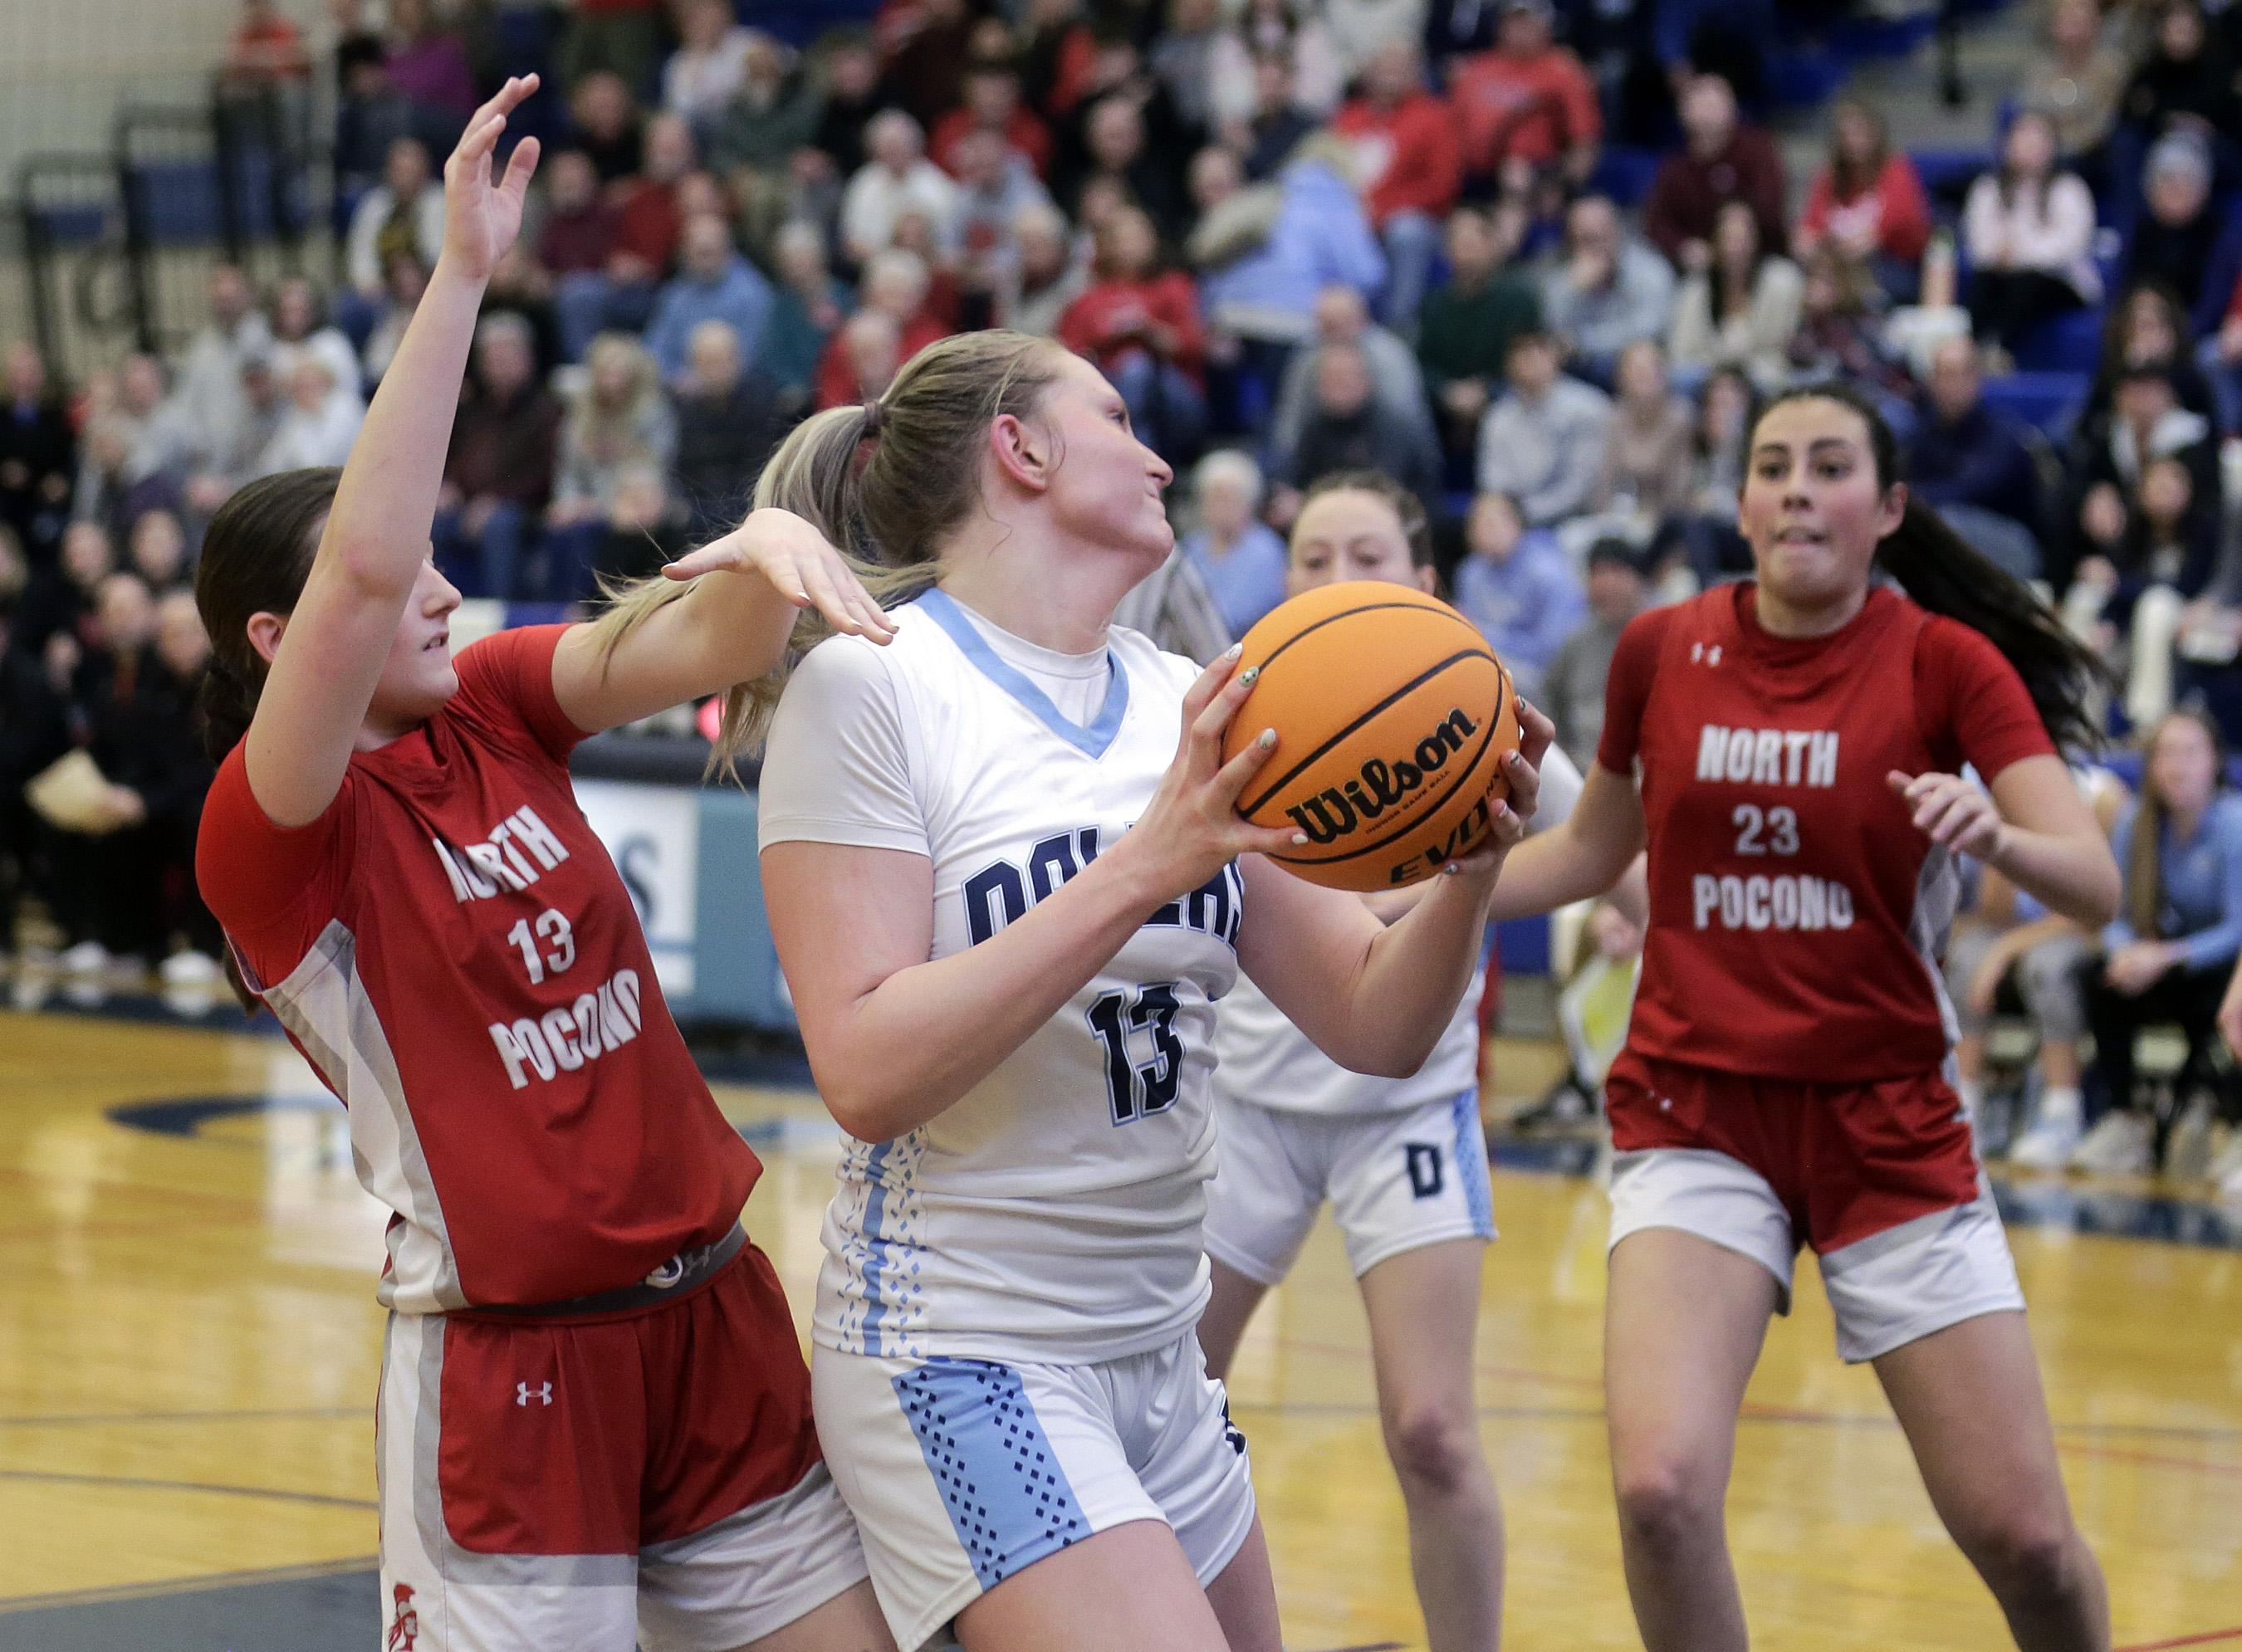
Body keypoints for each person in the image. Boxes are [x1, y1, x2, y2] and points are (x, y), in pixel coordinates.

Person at [191, 77, 898, 1652]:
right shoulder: (272, 830)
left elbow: (705, 637)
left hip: (714, 1311)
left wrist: (773, 550)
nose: (437, 592)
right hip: (513, 1369)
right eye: (395, 583)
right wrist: (461, 275)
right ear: (278, 640)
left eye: (445, 569)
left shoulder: (499, 700)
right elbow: (373, 557)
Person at [750, 327, 1549, 1652]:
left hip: (1160, 1354)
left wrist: (1466, 873)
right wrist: (1143, 867)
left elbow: (1373, 1021)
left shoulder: (1193, 697)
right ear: (1022, 447)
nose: (1161, 453)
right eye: (1120, 417)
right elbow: (865, 1070)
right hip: (963, 1344)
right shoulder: (876, 683)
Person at [1481, 379, 2119, 1650]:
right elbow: (1591, 853)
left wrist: (2001, 833)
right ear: (1739, 501)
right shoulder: (1661, 648)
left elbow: (2093, 881)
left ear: (1885, 506)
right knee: (1659, 1492)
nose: (1794, 490)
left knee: (2030, 1542)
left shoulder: (1946, 660)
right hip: (1695, 1105)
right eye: (1772, 466)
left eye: (1828, 467)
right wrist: (1410, 890)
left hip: (1887, 1117)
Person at [1197, 468, 1584, 1652]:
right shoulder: (1240, 702)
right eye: (1311, 558)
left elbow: (1592, 854)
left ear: (1421, 582)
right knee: (1164, 1405)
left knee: (1432, 1427)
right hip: (1244, 1105)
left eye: (1364, 555)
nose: (1333, 579)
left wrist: (1447, 886)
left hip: (1406, 1108)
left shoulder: (1471, 700)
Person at [2073, 708, 2242, 1175]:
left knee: (2229, 993)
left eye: (2190, 752)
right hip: (2160, 961)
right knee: (2096, 978)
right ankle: (2125, 1121)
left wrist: (2166, 957)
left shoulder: (2233, 824)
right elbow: (2114, 913)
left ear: (2214, 762)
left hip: (2213, 964)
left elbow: (2237, 930)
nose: (2177, 765)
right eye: (2166, 753)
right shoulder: (2136, 822)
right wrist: (2126, 953)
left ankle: (2227, 1124)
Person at [1329, 40, 1461, 324]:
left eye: (1398, 66)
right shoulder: (1347, 118)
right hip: (1353, 218)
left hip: (1415, 222)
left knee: (1407, 232)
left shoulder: (1434, 117)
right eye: (1383, 66)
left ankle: (1399, 325)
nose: (1389, 73)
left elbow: (1442, 187)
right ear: (1368, 73)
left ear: (1415, 73)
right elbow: (1329, 174)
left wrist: (1381, 209)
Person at [1961, 113, 2101, 364]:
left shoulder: (2069, 188)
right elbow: (1978, 244)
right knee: (1983, 283)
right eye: (2022, 141)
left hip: (2061, 280)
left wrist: (2017, 256)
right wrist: (2000, 256)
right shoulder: (1988, 188)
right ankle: (1972, 350)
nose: (2029, 150)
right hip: (2001, 276)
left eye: (2037, 142)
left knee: (2028, 282)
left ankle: (1999, 350)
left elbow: (2069, 246)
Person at [1417, 205, 1544, 467]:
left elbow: (1532, 359)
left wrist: (1486, 392)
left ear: (1492, 246)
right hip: (1446, 407)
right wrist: (1446, 391)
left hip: (1507, 398)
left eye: (1475, 242)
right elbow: (1422, 365)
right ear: (1446, 250)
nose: (1467, 252)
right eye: (1459, 243)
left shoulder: (1520, 299)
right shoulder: (1433, 304)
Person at [1447, 0, 1601, 193]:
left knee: (1516, 175)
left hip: (1541, 175)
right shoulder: (1475, 70)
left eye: (1529, 22)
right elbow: (1451, 134)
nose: (1520, 30)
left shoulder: (1564, 72)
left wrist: (1563, 188)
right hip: (1476, 176)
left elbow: (1584, 143)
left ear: (1546, 26)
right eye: (1514, 22)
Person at [1451, 489, 1586, 703]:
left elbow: (1552, 650)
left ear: (1517, 524)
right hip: (1487, 663)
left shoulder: (1550, 574)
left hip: (1544, 678)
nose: (1482, 530)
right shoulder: (1470, 572)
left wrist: (1485, 634)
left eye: (1492, 522)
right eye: (1476, 522)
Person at [1642, 76, 1786, 274]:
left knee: (1782, 278)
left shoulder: (1757, 149)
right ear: (1683, 113)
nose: (1708, 113)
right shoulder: (1675, 166)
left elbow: (1769, 210)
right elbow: (1657, 224)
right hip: (1699, 268)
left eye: (1715, 105)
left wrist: (1731, 242)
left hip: (1760, 261)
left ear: (1732, 108)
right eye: (1700, 105)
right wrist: (1683, 246)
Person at [1793, 99, 1930, 304]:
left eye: (1858, 132)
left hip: (1890, 269)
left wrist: (1837, 250)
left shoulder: (1896, 171)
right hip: (1834, 270)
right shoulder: (1828, 179)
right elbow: (1805, 236)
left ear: (1875, 133)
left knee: (1830, 288)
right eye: (1845, 134)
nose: (1851, 140)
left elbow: (1880, 236)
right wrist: (1818, 250)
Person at [1475, 330, 1613, 527]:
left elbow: (1581, 485)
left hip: (1578, 521)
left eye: (1539, 350)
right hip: (1514, 526)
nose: (1531, 359)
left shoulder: (1589, 408)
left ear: (1555, 356)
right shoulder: (1498, 417)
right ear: (1508, 363)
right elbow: (1493, 482)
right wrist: (1510, 517)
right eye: (1521, 352)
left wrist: (1526, 513)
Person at [1667, 200, 1804, 395]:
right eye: (1728, 238)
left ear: (1756, 239)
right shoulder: (1696, 289)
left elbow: (1778, 346)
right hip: (1707, 376)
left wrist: (1729, 354)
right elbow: (1680, 352)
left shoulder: (1782, 281)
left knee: (1770, 383)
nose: (1736, 249)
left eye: (1742, 239)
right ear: (1715, 242)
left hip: (1761, 374)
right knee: (1680, 381)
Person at [1540, 193, 1677, 385]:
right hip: (1576, 372)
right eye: (1585, 239)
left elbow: (1647, 332)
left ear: (1617, 232)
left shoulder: (1651, 271)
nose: (1596, 248)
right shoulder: (1564, 281)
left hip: (1636, 370)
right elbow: (1553, 336)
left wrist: (1583, 343)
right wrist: (1573, 292)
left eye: (1601, 236)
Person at [1543, 536, 1654, 766]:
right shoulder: (1575, 645)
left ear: (1638, 577)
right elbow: (1551, 701)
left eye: (1616, 571)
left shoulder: (1664, 636)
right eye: (1598, 573)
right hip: (1584, 771)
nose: (1607, 583)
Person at [1179, 449, 1290, 638]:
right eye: (1214, 498)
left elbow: (1237, 614)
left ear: (1249, 503)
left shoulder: (1267, 551)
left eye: (1229, 499)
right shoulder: (1190, 547)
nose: (1222, 507)